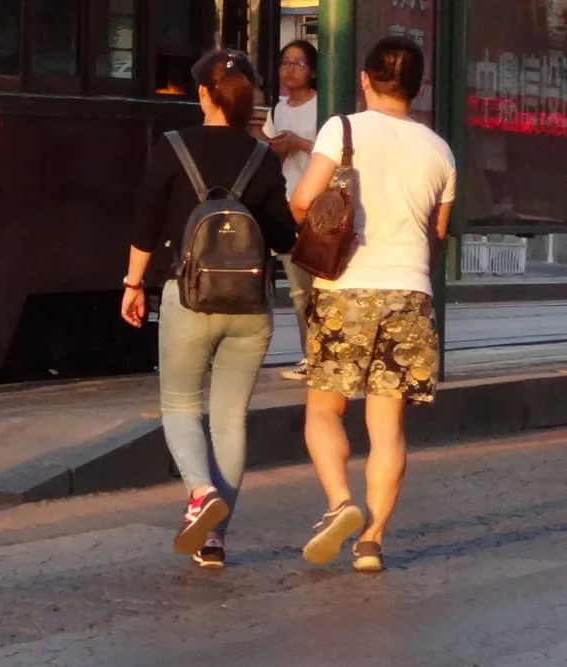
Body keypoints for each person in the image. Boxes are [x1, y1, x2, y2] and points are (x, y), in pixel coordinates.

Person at [120, 46, 296, 569]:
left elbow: (147, 221)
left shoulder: (172, 146)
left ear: (203, 93)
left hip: (189, 299)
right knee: (230, 419)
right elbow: (284, 236)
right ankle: (215, 537)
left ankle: (199, 493)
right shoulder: (263, 156)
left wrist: (133, 283)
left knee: (178, 405)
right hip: (251, 305)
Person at [290, 34, 455, 573]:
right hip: (409, 293)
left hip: (345, 289)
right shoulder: (439, 150)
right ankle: (372, 543)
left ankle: (340, 503)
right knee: (388, 429)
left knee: (324, 409)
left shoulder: (342, 128)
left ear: (364, 80)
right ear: (419, 86)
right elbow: (438, 234)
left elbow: (301, 200)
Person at [267, 38, 322, 375]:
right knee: (300, 290)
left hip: (319, 207)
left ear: (313, 71)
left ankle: (327, 354)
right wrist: (279, 148)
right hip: (289, 206)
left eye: (298, 63)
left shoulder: (324, 105)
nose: (289, 69)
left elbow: (335, 154)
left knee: (322, 286)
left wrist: (300, 143)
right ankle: (311, 355)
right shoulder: (277, 109)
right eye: (285, 62)